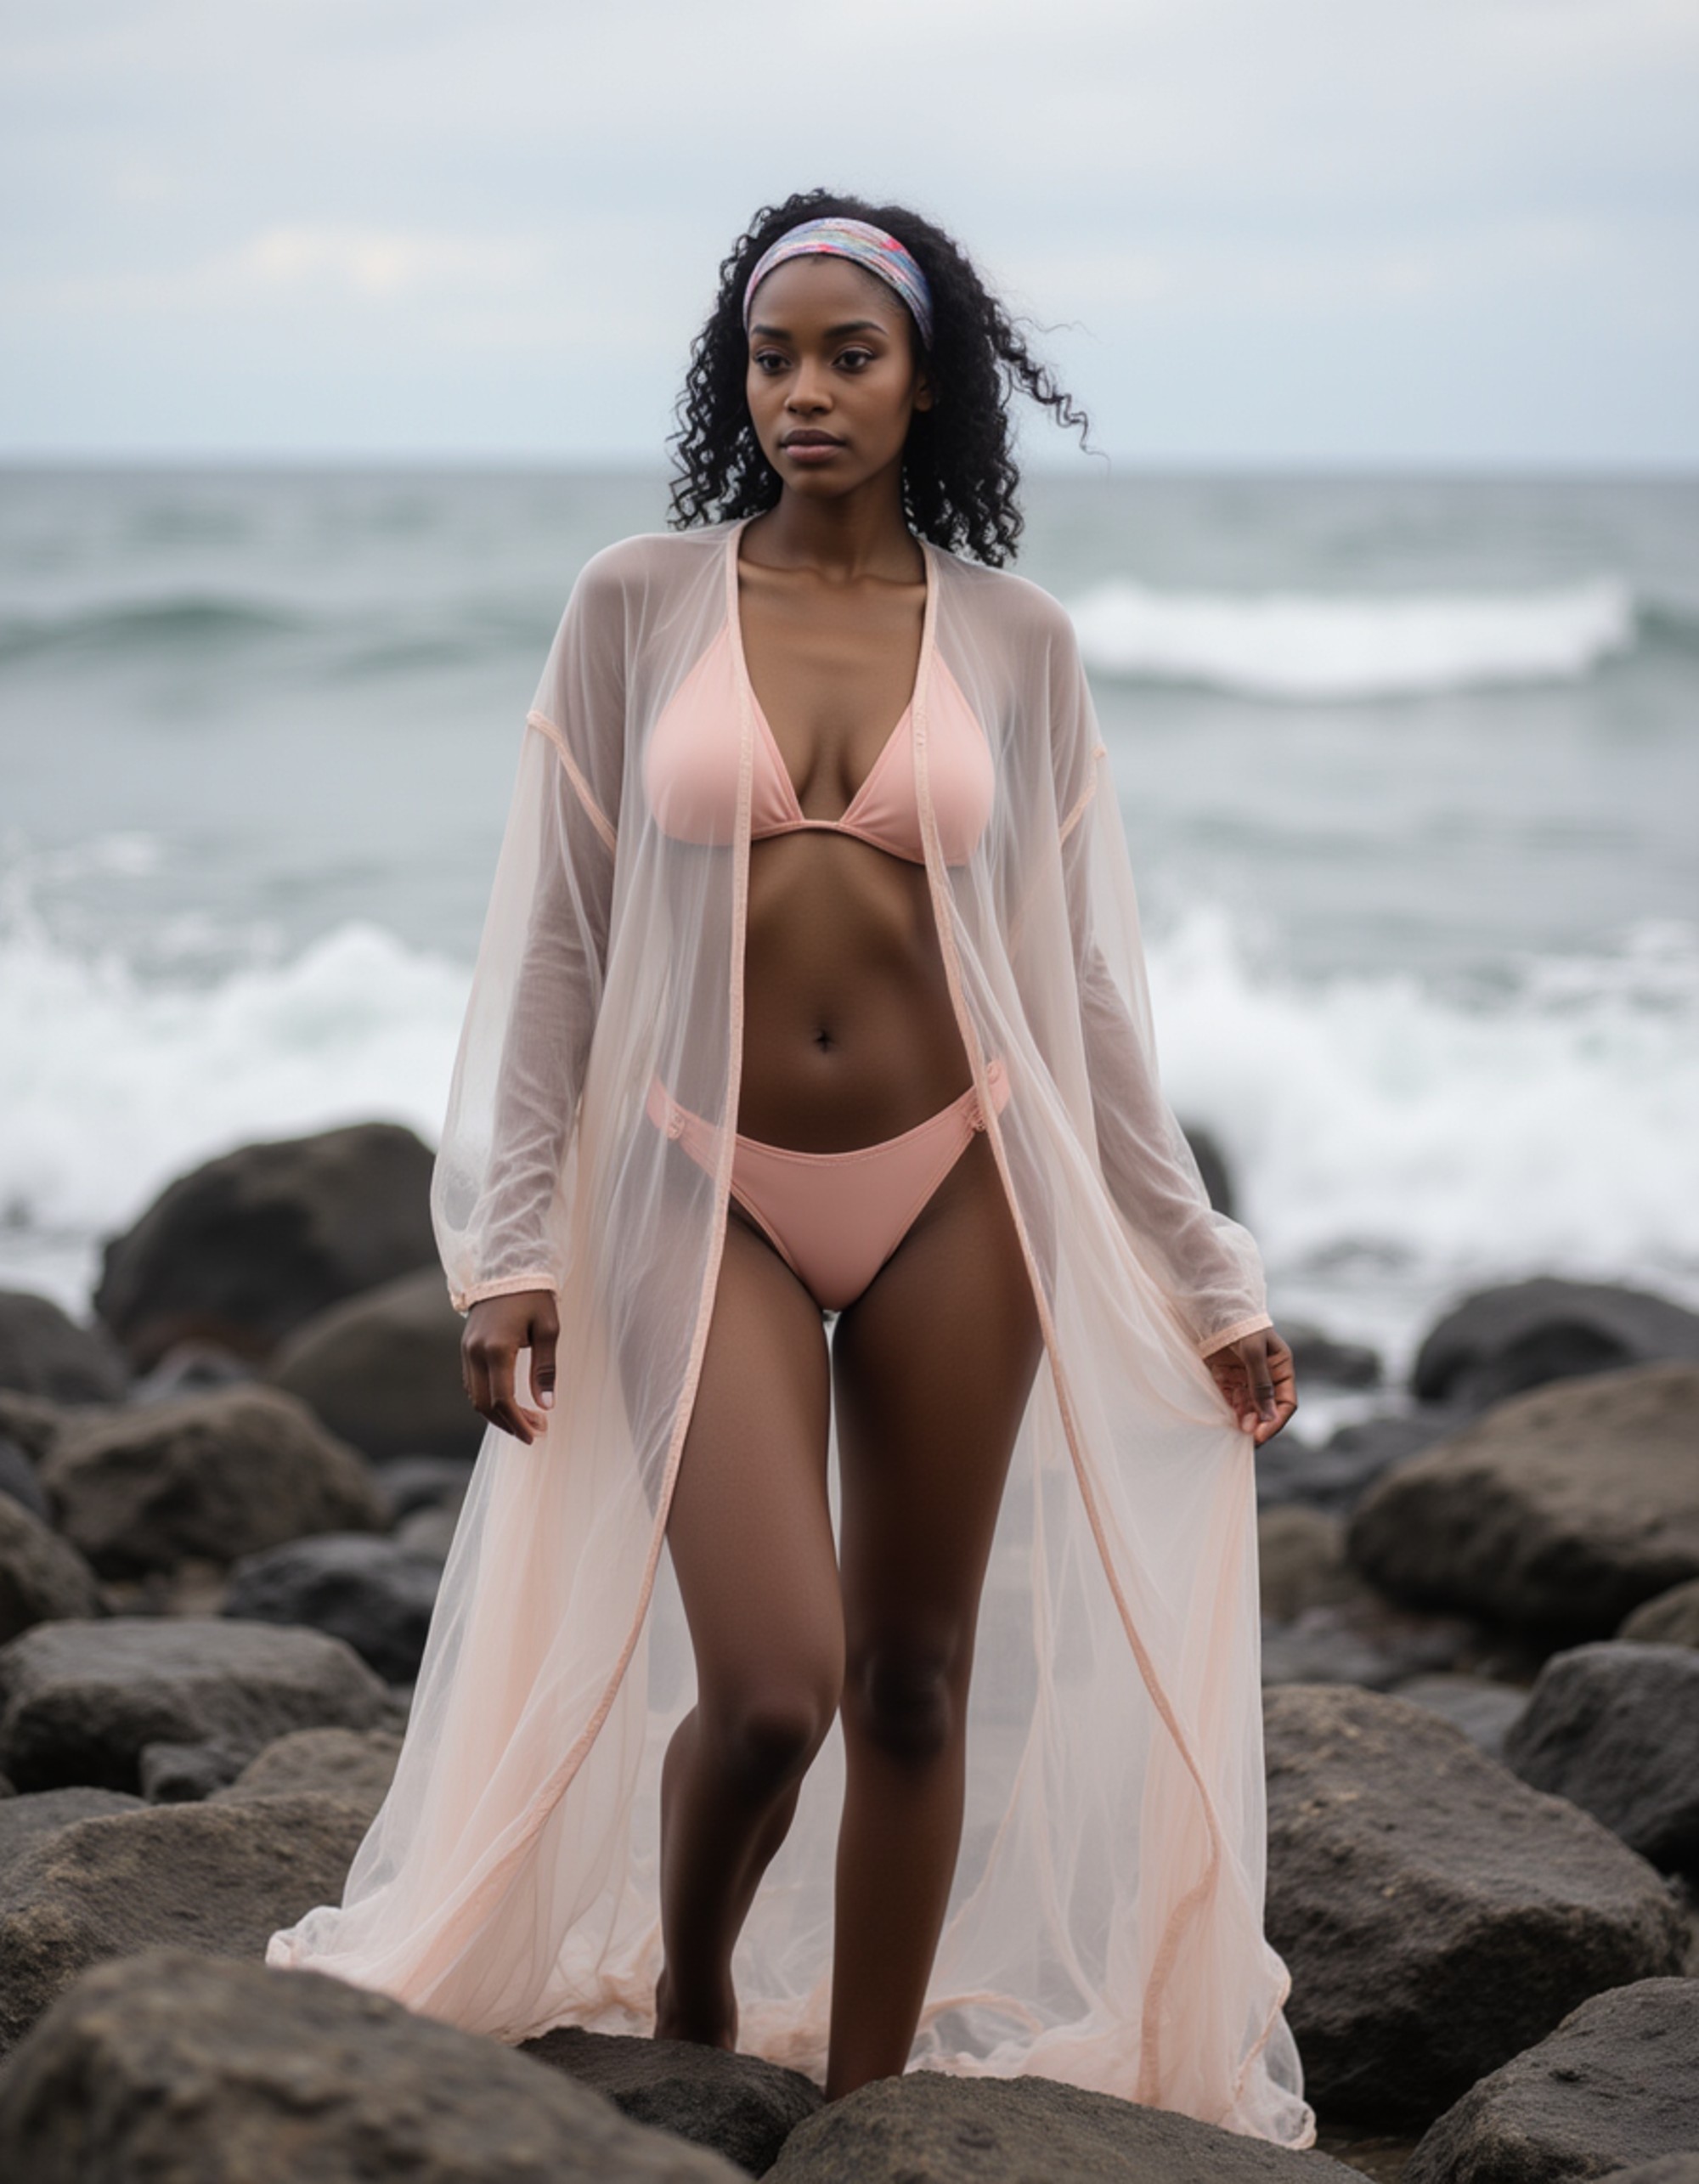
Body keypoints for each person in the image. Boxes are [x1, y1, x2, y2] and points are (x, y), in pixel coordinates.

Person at [268, 190, 1313, 2150]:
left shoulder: (1018, 641)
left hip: (958, 1177)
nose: (805, 391)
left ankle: (863, 2110)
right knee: (772, 1688)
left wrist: (1207, 1270)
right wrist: (507, 1248)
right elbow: (560, 942)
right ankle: (688, 1987)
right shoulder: (635, 601)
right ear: (730, 375)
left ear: (931, 381)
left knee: (915, 1678)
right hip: (701, 1176)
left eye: (851, 354)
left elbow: (1085, 996)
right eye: (772, 354)